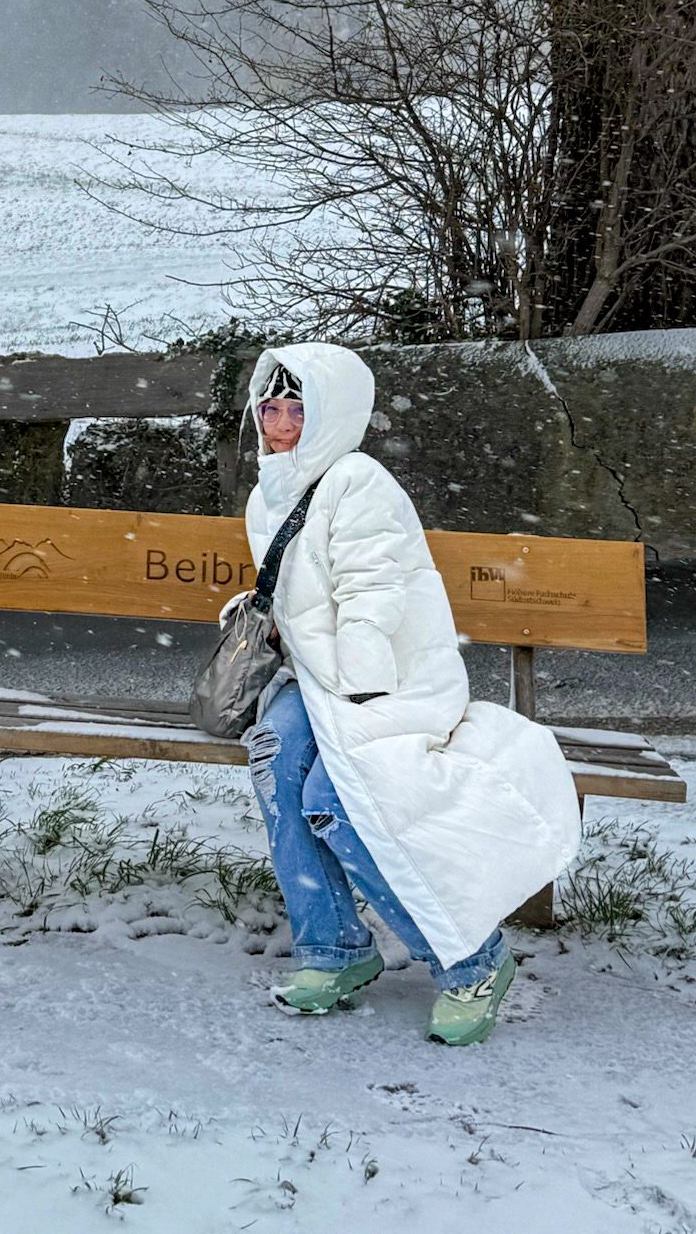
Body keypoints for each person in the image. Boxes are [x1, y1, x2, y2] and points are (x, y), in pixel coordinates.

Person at [225, 343, 582, 1046]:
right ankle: (334, 949)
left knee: (337, 801)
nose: (280, 421)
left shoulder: (357, 480)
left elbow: (373, 592)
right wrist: (260, 624)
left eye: (298, 408)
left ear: (330, 414)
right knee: (273, 757)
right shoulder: (268, 493)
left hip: (385, 680)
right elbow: (304, 593)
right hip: (318, 678)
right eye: (269, 406)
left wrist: (355, 687)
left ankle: (472, 961)